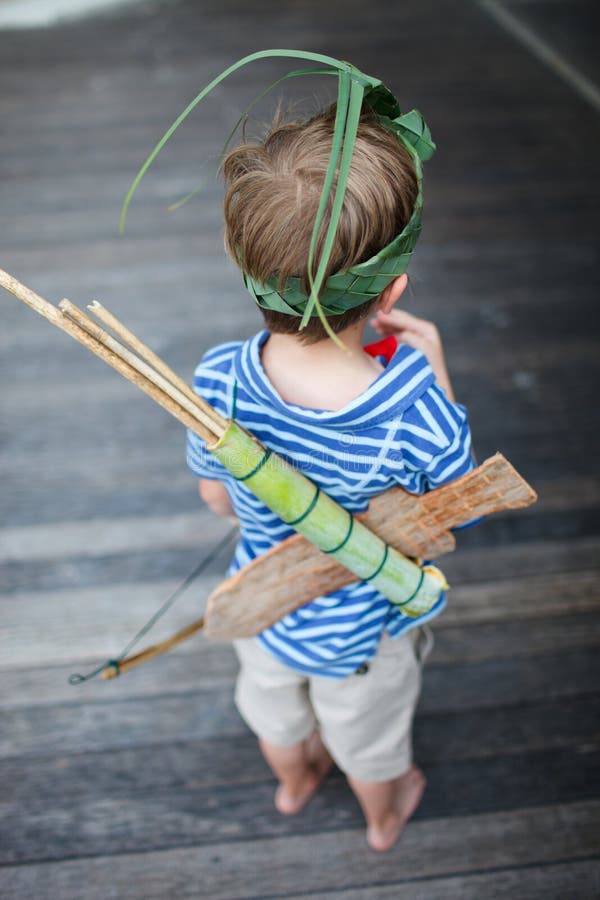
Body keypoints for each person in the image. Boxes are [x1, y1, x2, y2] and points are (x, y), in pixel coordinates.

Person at [186, 100, 474, 852]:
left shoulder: (217, 379)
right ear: (391, 294)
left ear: (249, 270)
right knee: (371, 741)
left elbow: (218, 498)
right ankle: (385, 814)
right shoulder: (414, 405)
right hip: (361, 635)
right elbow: (450, 517)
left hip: (264, 610)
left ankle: (295, 779)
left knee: (275, 718)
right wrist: (436, 379)